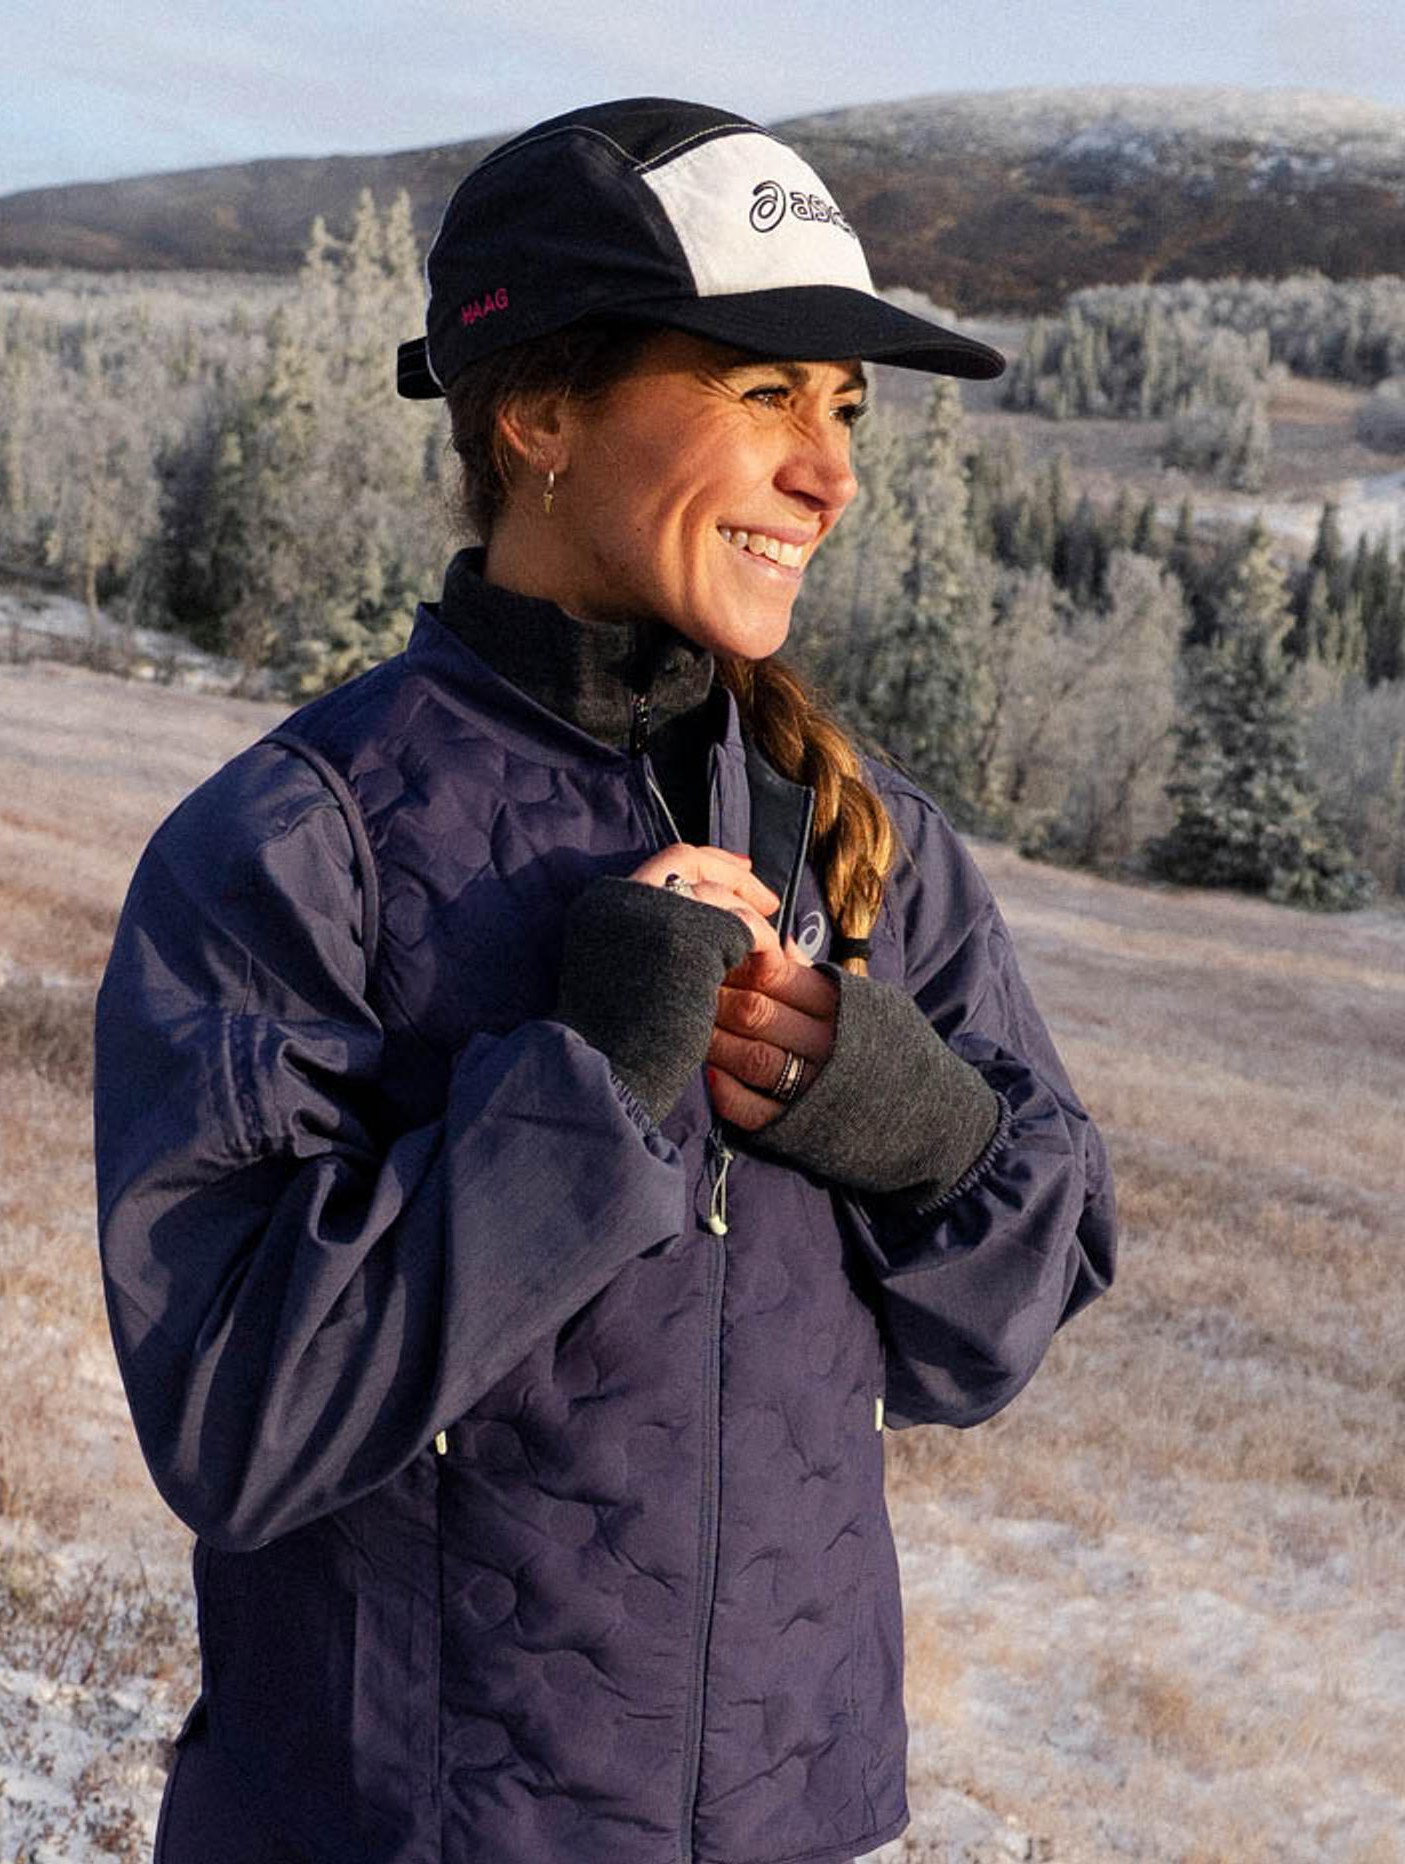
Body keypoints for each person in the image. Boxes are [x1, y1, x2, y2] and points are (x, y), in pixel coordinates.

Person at [94, 97, 1116, 1864]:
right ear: (540, 412)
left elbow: (992, 1334)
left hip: (807, 1819)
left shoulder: (865, 840)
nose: (833, 474)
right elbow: (239, 1425)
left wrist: (917, 1127)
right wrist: (590, 1071)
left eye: (847, 410)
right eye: (764, 391)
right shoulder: (296, 845)